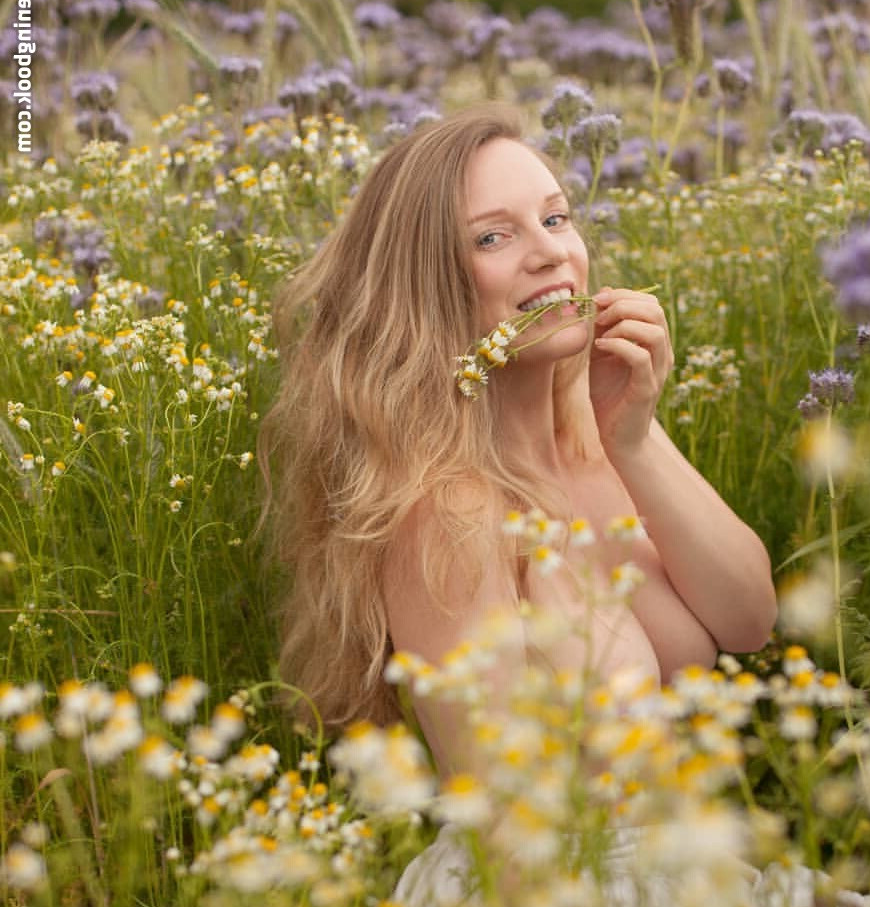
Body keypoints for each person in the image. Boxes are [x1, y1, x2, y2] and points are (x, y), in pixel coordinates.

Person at [261, 103, 777, 777]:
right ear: (427, 288)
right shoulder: (450, 515)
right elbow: (503, 806)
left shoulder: (601, 432)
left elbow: (749, 621)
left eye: (555, 219)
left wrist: (633, 440)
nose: (552, 253)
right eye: (492, 238)